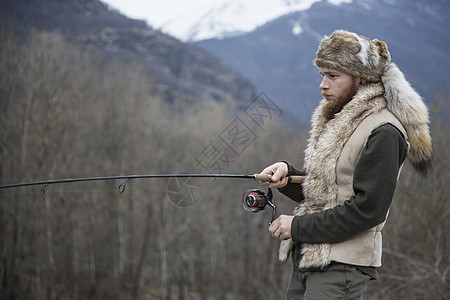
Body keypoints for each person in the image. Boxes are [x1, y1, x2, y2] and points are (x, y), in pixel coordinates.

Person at [259, 30, 433, 299]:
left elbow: (368, 210)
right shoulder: (342, 120)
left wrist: (297, 227)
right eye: (322, 75)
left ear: (360, 77)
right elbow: (332, 189)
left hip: (342, 267)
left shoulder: (384, 131)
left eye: (333, 76)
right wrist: (288, 175)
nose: (323, 85)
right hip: (309, 258)